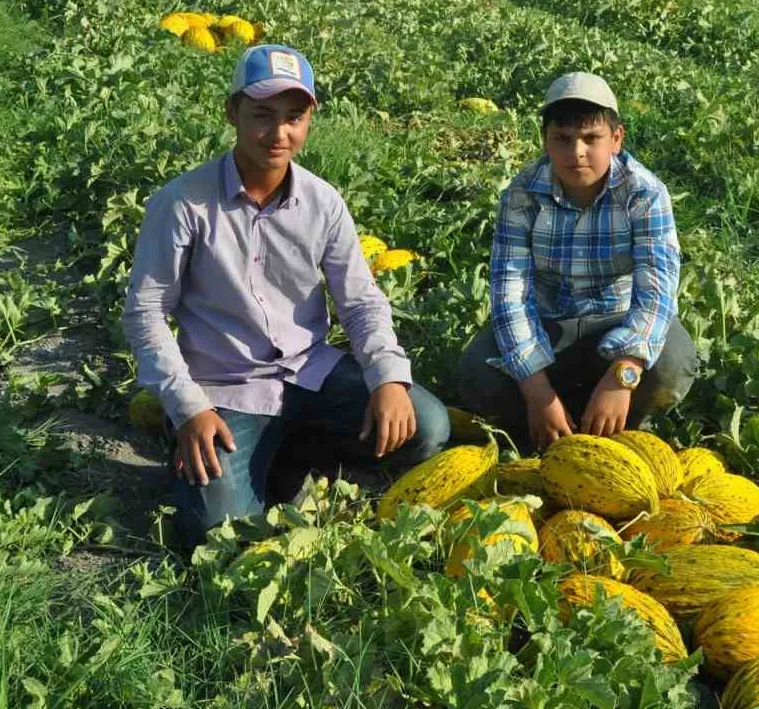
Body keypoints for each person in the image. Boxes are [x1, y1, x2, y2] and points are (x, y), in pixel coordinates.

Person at [123, 44, 451, 548]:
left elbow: (360, 301)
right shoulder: (182, 203)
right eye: (262, 116)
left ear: (310, 118)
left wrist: (387, 376)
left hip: (310, 373)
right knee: (220, 536)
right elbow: (146, 313)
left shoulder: (322, 202)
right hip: (226, 388)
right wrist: (188, 407)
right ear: (232, 112)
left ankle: (290, 450)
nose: (279, 133)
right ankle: (232, 454)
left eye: (294, 117)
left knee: (426, 425)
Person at [457, 72, 697, 451]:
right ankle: (548, 423)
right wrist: (537, 393)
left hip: (617, 320)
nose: (577, 152)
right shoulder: (522, 194)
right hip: (550, 324)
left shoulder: (645, 193)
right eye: (562, 140)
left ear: (616, 139)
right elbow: (510, 296)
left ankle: (618, 424)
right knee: (477, 372)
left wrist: (623, 374)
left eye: (591, 138)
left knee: (673, 362)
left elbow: (657, 292)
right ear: (545, 141)